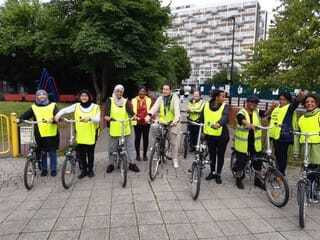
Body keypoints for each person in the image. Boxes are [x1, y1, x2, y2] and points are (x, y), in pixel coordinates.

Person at [55, 90, 100, 179]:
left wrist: (90, 118)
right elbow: (65, 110)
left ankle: (90, 170)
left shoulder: (95, 107)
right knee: (82, 153)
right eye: (82, 96)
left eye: (86, 96)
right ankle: (84, 170)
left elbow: (98, 119)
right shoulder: (76, 106)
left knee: (90, 153)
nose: (84, 97)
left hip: (91, 133)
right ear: (80, 97)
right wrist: (58, 115)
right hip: (80, 133)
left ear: (89, 97)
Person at [19, 90, 59, 177]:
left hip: (52, 133)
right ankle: (44, 169)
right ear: (37, 97)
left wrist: (54, 119)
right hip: (39, 133)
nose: (41, 96)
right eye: (39, 95)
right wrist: (20, 119)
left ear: (46, 96)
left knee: (52, 152)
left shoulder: (53, 105)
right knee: (43, 152)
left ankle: (53, 169)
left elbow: (57, 116)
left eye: (43, 94)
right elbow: (26, 114)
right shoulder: (34, 107)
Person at [104, 84, 140, 173]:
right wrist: (107, 117)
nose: (119, 93)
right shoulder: (110, 100)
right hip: (114, 127)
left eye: (121, 91)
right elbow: (106, 113)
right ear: (114, 91)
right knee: (112, 148)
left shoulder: (126, 101)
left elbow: (131, 112)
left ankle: (132, 163)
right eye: (117, 91)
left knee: (130, 146)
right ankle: (111, 164)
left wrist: (135, 116)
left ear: (122, 92)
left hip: (125, 127)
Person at [232, 96, 266, 190]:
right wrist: (248, 124)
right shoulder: (242, 112)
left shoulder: (257, 111)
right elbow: (240, 119)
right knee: (242, 162)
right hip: (243, 143)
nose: (253, 104)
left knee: (258, 161)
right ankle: (238, 179)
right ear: (247, 102)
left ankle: (257, 181)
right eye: (251, 102)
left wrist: (271, 109)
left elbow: (265, 114)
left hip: (255, 142)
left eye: (255, 103)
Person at [145, 84, 181, 168]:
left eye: (167, 89)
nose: (165, 91)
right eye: (163, 89)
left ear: (170, 90)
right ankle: (156, 147)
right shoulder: (160, 98)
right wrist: (148, 116)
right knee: (154, 127)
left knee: (173, 142)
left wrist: (176, 120)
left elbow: (177, 110)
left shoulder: (175, 98)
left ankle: (175, 159)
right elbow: (154, 108)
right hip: (162, 121)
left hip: (172, 123)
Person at [269, 91, 304, 175]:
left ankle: (281, 174)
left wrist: (299, 97)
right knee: (277, 155)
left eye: (284, 100)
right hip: (275, 135)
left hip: (284, 136)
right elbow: (272, 119)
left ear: (288, 101)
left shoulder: (289, 108)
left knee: (282, 156)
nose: (281, 101)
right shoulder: (277, 109)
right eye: (280, 99)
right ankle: (277, 171)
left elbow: (295, 104)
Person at [199, 90, 229, 184]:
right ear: (216, 97)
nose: (224, 98)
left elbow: (225, 116)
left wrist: (219, 123)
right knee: (212, 154)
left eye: (224, 97)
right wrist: (202, 131)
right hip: (210, 135)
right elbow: (202, 118)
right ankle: (212, 172)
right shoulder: (206, 105)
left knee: (220, 155)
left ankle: (218, 174)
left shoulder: (225, 106)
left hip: (222, 135)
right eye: (222, 96)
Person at [294, 94, 320, 185]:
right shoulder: (301, 118)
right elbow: (297, 135)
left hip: (317, 148)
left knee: (316, 170)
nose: (309, 103)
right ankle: (309, 190)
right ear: (304, 104)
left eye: (312, 102)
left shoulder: (319, 114)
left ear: (317, 103)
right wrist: (296, 151)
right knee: (307, 169)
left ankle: (316, 189)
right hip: (305, 147)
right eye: (307, 102)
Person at [131, 86, 152, 162]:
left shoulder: (149, 100)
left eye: (143, 91)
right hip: (137, 122)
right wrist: (134, 116)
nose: (142, 93)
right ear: (138, 92)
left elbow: (152, 110)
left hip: (146, 122)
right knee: (137, 138)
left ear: (146, 92)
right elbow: (131, 111)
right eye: (140, 91)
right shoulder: (133, 100)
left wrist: (151, 117)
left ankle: (145, 155)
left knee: (146, 138)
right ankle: (137, 155)